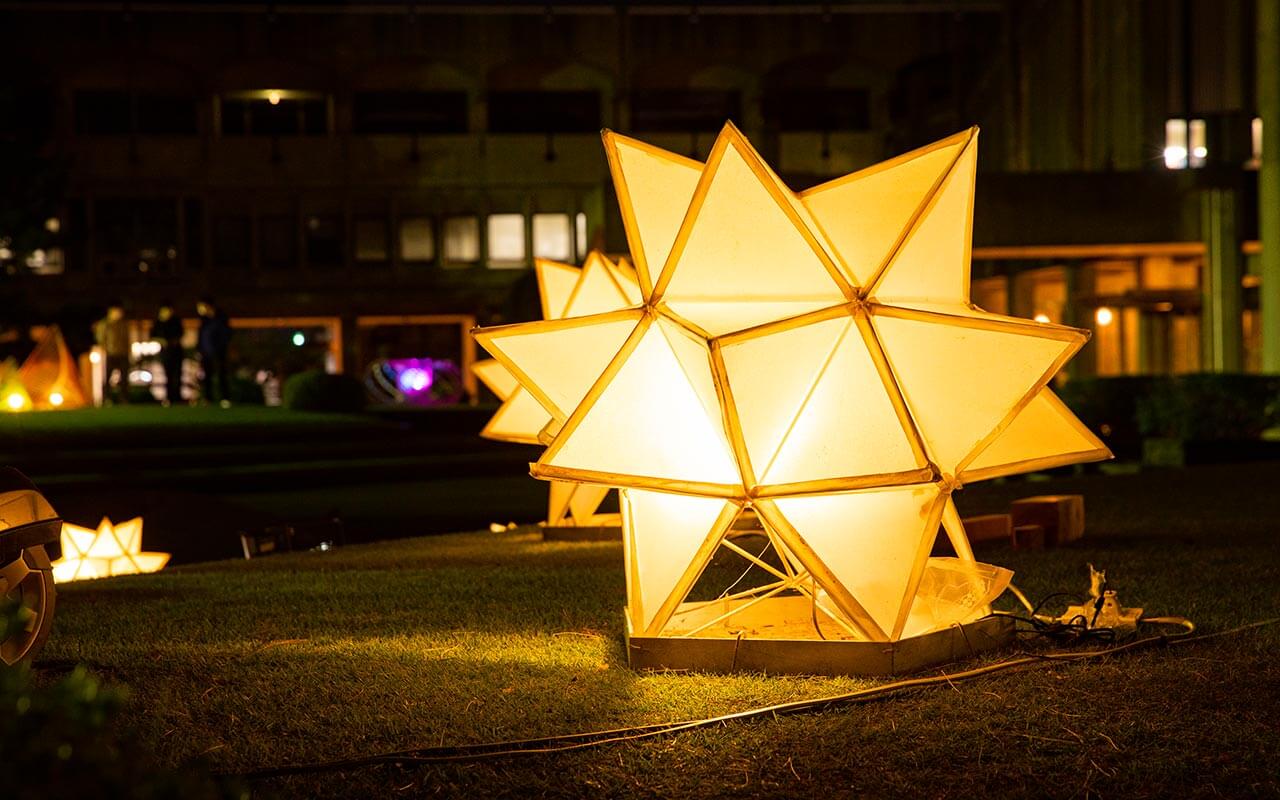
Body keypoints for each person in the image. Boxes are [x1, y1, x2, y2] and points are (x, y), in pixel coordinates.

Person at [92, 301, 130, 405]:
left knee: (124, 378)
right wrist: (105, 348)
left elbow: (126, 339)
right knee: (108, 377)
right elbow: (100, 338)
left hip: (123, 354)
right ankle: (106, 398)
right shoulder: (105, 324)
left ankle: (124, 399)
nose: (119, 313)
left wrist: (128, 351)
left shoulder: (123, 324)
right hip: (111, 354)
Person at [196, 297, 231, 406]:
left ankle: (225, 398)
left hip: (219, 351)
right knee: (207, 376)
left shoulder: (221, 318)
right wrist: (200, 349)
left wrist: (221, 347)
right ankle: (208, 398)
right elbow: (201, 336)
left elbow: (226, 334)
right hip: (206, 352)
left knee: (221, 374)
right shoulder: (203, 320)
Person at [152, 300, 185, 406]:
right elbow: (153, 335)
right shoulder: (158, 322)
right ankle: (169, 397)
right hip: (165, 352)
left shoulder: (176, 321)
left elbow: (181, 333)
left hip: (177, 351)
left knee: (178, 375)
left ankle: (178, 397)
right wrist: (162, 341)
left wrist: (173, 341)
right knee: (168, 375)